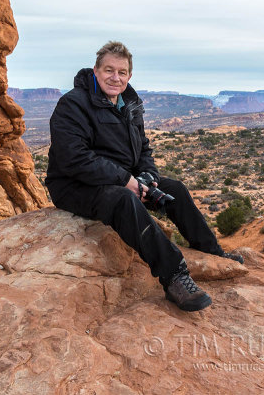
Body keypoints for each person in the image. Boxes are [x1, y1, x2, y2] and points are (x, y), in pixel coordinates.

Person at [45, 41, 243, 312]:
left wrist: (148, 177)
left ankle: (212, 251)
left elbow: (143, 148)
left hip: (122, 178)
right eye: (109, 70)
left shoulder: (129, 103)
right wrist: (126, 180)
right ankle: (174, 277)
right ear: (95, 70)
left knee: (175, 189)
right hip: (74, 185)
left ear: (129, 75)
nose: (116, 77)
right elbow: (74, 159)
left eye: (122, 72)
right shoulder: (73, 104)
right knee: (124, 200)